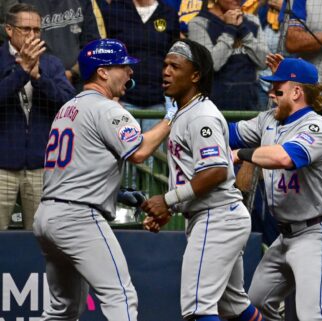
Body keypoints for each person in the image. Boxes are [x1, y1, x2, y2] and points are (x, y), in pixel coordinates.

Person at [32, 38, 172, 320]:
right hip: (78, 218)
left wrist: (116, 193)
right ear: (103, 72)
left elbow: (76, 167)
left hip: (48, 216)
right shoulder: (107, 109)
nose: (130, 72)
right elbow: (140, 152)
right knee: (120, 296)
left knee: (63, 310)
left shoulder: (67, 108)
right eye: (123, 66)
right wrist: (173, 117)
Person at [141, 39, 263, 321]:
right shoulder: (185, 113)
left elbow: (216, 171)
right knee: (234, 307)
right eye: (164, 65)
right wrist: (170, 208)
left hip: (216, 217)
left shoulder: (202, 116)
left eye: (175, 66)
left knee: (198, 308)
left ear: (195, 75)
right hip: (217, 215)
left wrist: (168, 200)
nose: (166, 72)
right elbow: (193, 173)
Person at [228, 57, 322, 320]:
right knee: (257, 304)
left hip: (318, 233)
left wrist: (242, 154)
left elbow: (285, 158)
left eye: (278, 89)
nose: (271, 94)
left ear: (297, 92)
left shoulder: (316, 127)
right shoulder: (269, 120)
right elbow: (228, 132)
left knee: (313, 316)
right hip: (285, 237)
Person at [0, 3, 75, 230]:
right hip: (2, 167)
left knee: (40, 239)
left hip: (40, 167)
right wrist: (21, 73)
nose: (32, 35)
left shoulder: (51, 63)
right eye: (25, 29)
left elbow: (68, 104)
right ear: (9, 30)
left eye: (37, 30)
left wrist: (39, 77)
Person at [102, 0, 180, 131]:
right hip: (121, 101)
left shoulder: (169, 13)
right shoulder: (114, 10)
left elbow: (174, 57)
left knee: (154, 151)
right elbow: (106, 56)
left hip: (158, 101)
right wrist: (112, 97)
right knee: (122, 151)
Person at [188, 0, 268, 111]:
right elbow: (212, 64)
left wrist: (244, 30)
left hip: (250, 106)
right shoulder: (199, 23)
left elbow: (264, 62)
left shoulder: (251, 21)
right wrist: (230, 29)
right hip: (214, 109)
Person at [21, 0, 101, 84]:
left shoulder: (82, 2)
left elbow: (93, 45)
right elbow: (22, 46)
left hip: (80, 78)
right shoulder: (26, 4)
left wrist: (74, 72)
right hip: (42, 79)